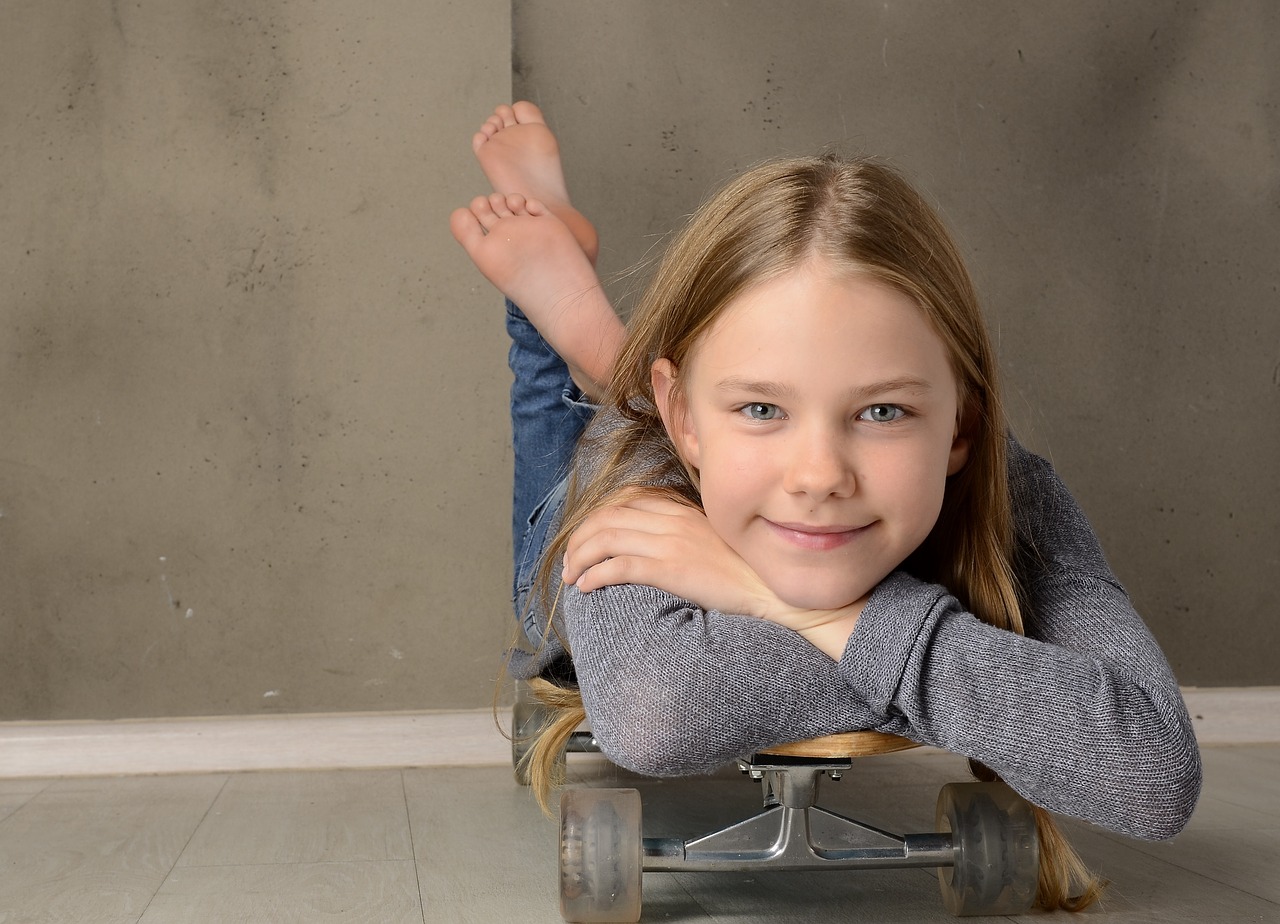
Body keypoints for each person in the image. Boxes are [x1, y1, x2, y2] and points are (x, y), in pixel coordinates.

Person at [450, 102, 1202, 912]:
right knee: (576, 467)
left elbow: (1152, 773)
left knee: (671, 410)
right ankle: (572, 331)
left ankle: (615, 353)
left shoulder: (1012, 489)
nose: (819, 477)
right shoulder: (642, 490)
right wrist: (1003, 683)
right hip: (631, 456)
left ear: (962, 426)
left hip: (694, 432)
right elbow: (656, 717)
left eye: (882, 412)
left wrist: (785, 602)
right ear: (690, 420)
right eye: (764, 409)